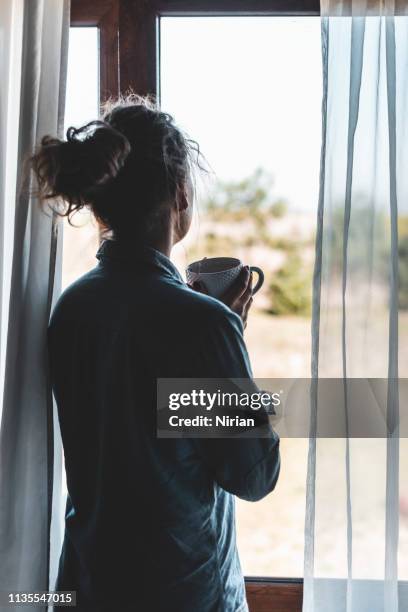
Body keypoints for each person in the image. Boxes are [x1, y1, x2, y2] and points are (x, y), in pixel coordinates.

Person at [32, 95, 280, 612]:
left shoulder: (71, 307)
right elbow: (253, 475)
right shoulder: (204, 324)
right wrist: (227, 336)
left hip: (89, 585)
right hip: (182, 593)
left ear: (99, 202)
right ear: (181, 192)